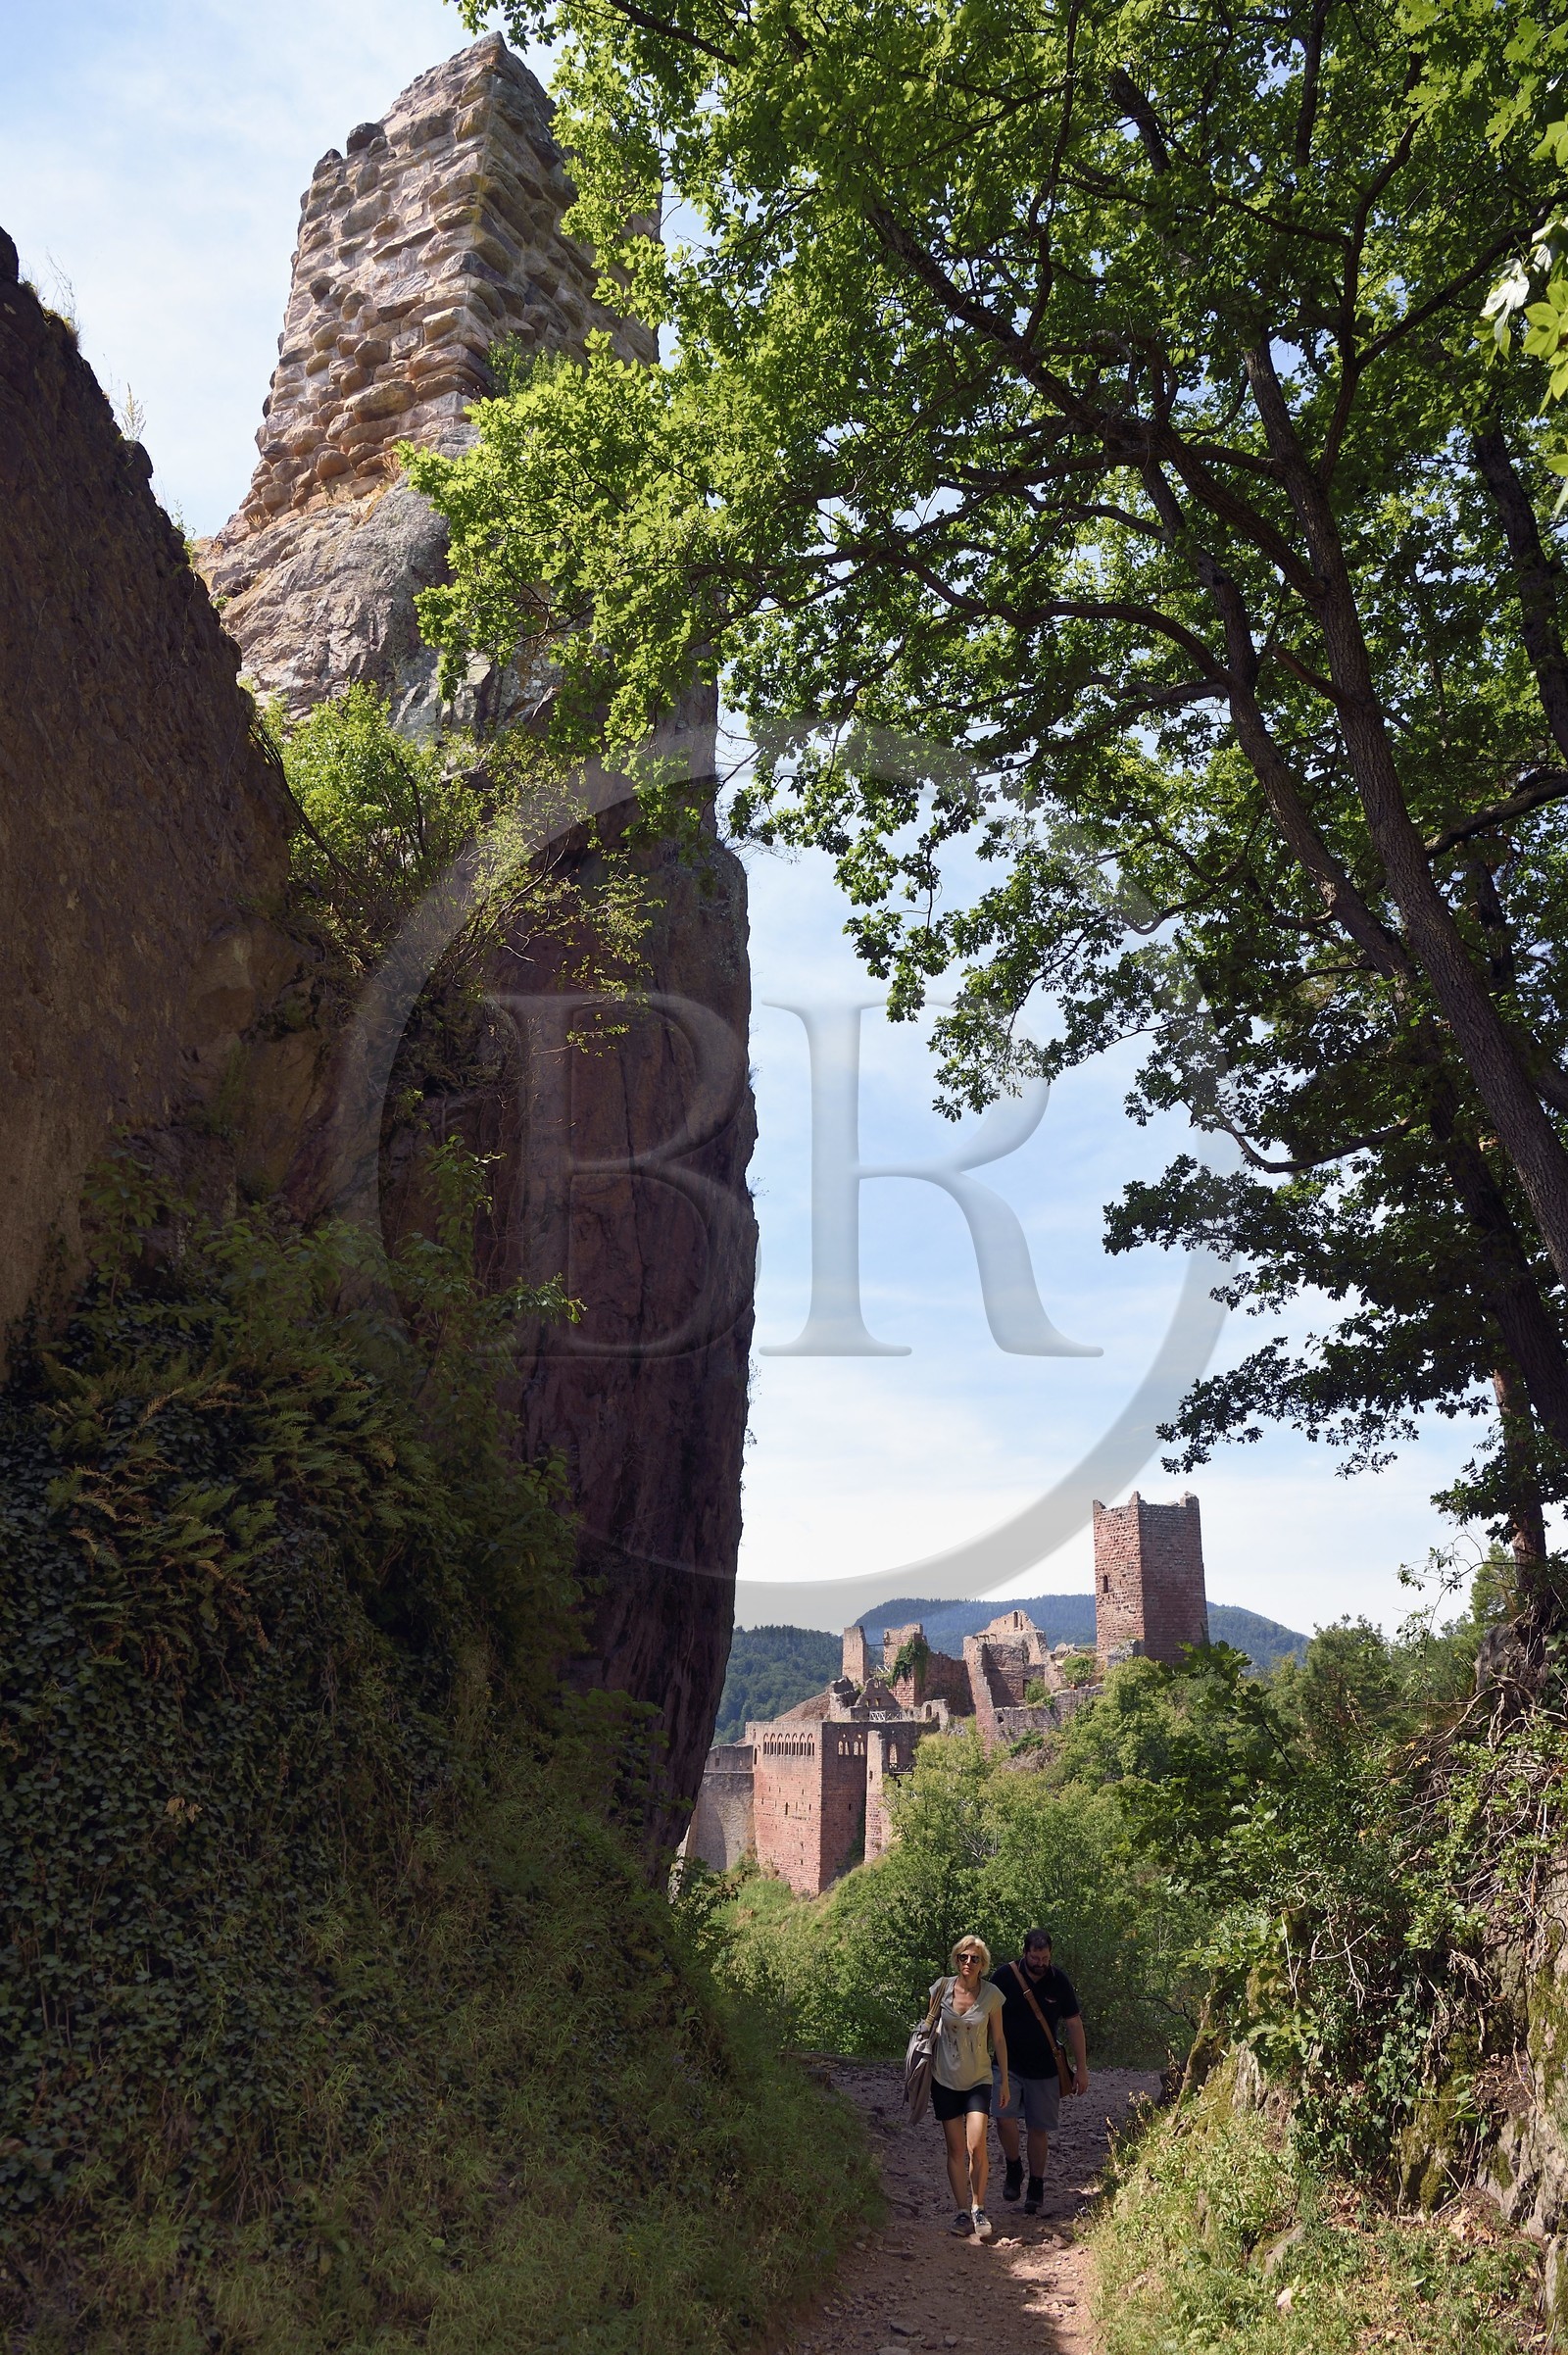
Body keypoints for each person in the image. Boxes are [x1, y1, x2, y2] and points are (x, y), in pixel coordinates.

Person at [991, 1928, 1090, 2216]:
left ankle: (1036, 2184)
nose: (1040, 1963)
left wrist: (1081, 2068)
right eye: (1035, 1957)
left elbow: (1073, 2023)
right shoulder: (1004, 1977)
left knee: (1038, 2128)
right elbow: (985, 2016)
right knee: (1003, 2118)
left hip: (1045, 2068)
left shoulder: (1060, 1981)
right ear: (1025, 1953)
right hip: (1006, 2064)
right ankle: (1013, 2166)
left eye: (1045, 1957)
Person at [927, 1935, 1008, 2240]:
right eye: (963, 1957)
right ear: (956, 1959)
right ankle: (961, 2210)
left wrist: (1005, 2080)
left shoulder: (992, 1995)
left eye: (974, 1958)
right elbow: (929, 2028)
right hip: (944, 2077)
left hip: (978, 2078)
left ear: (983, 1964)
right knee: (956, 2148)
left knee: (976, 2146)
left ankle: (978, 2206)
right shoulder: (940, 1988)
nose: (968, 1963)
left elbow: (998, 2039)